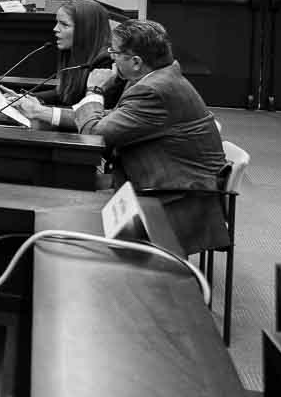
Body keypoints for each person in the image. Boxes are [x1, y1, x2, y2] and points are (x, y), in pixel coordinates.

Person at [49, 19, 230, 254]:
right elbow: (111, 120)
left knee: (62, 190)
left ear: (136, 62)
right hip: (165, 179)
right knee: (66, 181)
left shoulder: (152, 90)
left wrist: (94, 90)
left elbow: (94, 136)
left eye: (114, 51)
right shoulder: (160, 78)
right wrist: (47, 114)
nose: (111, 57)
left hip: (177, 197)